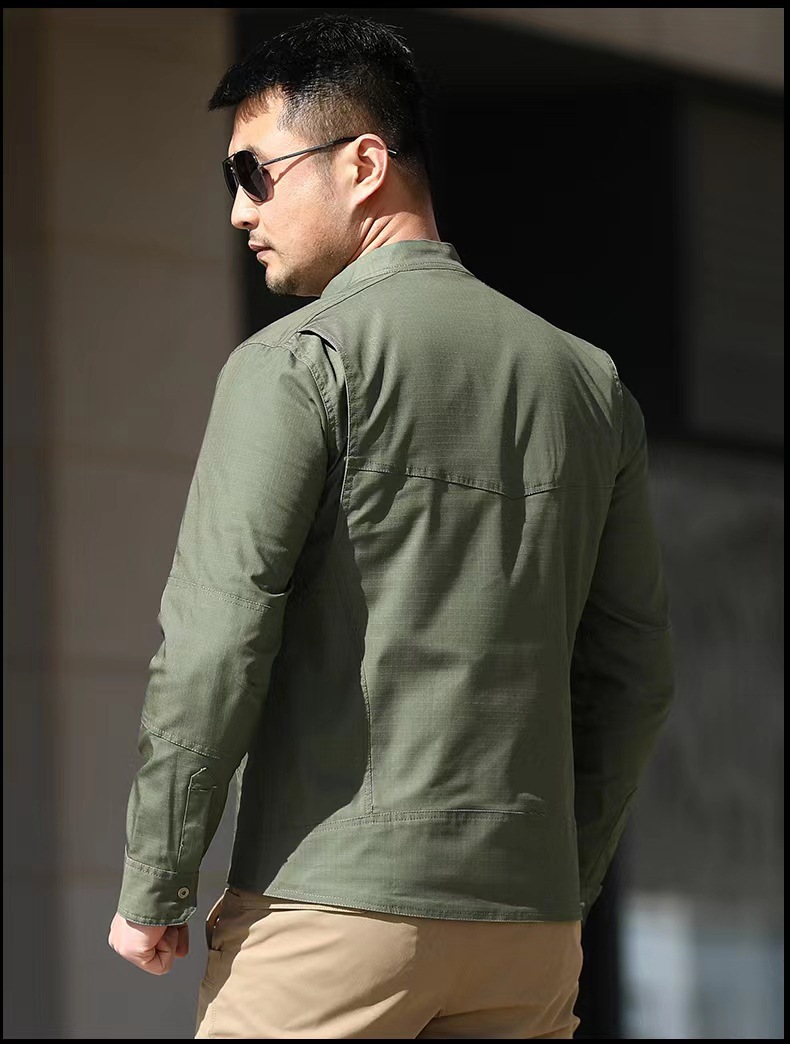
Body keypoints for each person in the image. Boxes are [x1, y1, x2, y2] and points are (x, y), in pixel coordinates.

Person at [107, 12, 675, 1039]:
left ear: (363, 164)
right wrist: (560, 881)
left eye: (253, 173)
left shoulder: (298, 363)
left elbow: (213, 644)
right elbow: (634, 676)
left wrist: (156, 877)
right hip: (527, 937)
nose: (239, 210)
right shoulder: (590, 386)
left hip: (331, 916)